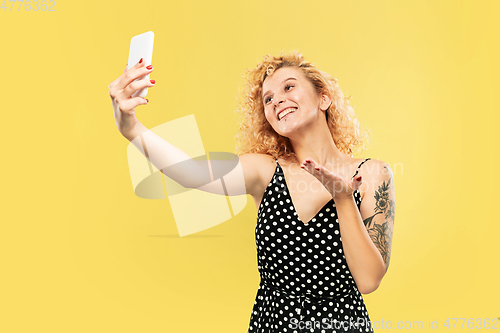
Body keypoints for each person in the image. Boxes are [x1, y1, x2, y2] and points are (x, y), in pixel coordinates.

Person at [108, 51, 395, 333]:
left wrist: (343, 198)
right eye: (268, 99)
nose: (277, 99)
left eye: (289, 86)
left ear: (324, 98)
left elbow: (369, 280)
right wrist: (131, 127)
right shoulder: (264, 171)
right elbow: (190, 173)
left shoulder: (371, 174)